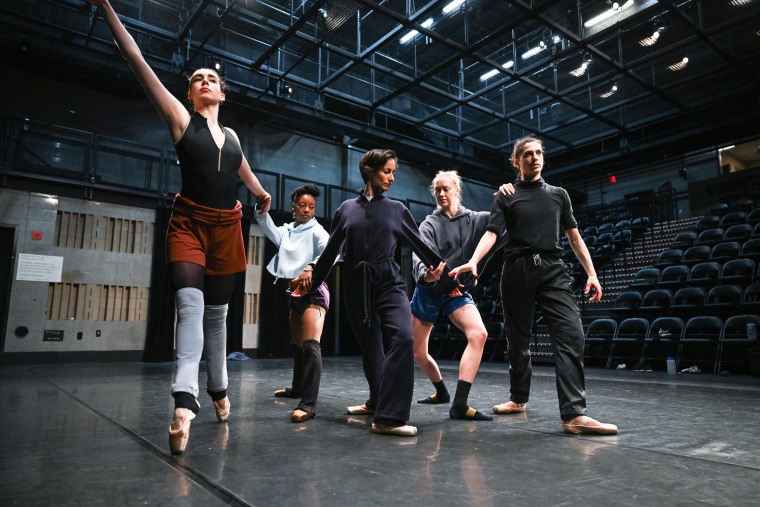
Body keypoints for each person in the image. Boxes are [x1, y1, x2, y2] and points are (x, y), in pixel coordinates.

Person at [87, 1, 272, 453]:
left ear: (222, 95)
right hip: (188, 223)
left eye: (211, 78)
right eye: (196, 79)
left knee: (218, 317)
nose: (204, 81)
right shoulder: (179, 118)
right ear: (189, 94)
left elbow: (240, 167)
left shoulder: (232, 137)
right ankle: (184, 402)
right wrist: (107, 8)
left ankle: (219, 388)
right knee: (190, 309)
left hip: (228, 227)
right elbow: (134, 54)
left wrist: (260, 192)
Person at [449, 137, 618, 435]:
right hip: (517, 270)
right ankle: (518, 399)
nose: (535, 158)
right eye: (527, 154)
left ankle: (574, 414)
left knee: (570, 334)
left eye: (539, 153)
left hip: (553, 270)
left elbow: (574, 238)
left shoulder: (559, 195)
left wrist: (591, 273)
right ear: (516, 162)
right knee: (518, 340)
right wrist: (474, 260)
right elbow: (492, 232)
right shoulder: (506, 196)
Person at [292, 149, 461, 437]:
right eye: (387, 171)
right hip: (357, 286)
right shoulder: (346, 209)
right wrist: (309, 285)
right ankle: (376, 402)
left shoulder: (397, 209)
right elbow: (332, 252)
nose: (392, 177)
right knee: (371, 348)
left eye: (394, 171)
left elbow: (423, 247)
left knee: (404, 338)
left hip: (390, 283)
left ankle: (390, 418)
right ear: (370, 171)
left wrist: (447, 281)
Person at [411, 171, 512, 421]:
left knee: (479, 334)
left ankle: (459, 404)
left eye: (446, 189)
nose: (442, 194)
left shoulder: (476, 220)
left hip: (457, 292)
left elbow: (503, 224)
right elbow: (419, 259)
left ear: (457, 190)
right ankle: (442, 392)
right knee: (418, 353)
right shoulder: (428, 225)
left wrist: (508, 196)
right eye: (438, 190)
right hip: (430, 291)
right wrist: (430, 276)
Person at [258, 183, 330, 423]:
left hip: (314, 293)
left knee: (311, 346)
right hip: (295, 293)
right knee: (297, 346)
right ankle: (297, 388)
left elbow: (332, 251)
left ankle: (308, 404)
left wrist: (311, 266)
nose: (307, 210)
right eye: (302, 205)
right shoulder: (287, 231)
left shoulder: (317, 231)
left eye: (311, 206)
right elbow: (269, 229)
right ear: (294, 208)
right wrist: (263, 211)